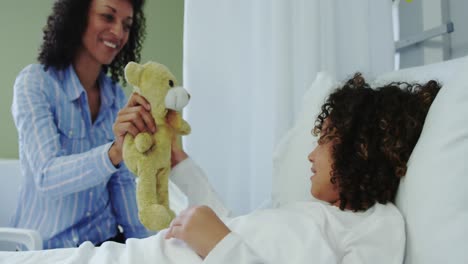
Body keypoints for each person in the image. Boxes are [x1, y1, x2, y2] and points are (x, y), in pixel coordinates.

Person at [162, 73, 441, 263]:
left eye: (324, 139)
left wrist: (220, 248)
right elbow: (233, 231)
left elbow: (226, 242)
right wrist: (179, 163)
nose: (310, 155)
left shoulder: (376, 225)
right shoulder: (309, 214)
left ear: (361, 148)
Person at [10, 0, 156, 249]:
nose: (119, 33)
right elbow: (47, 176)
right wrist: (113, 153)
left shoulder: (117, 98)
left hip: (103, 245)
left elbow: (122, 183)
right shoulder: (34, 83)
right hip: (47, 250)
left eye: (127, 25)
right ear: (77, 18)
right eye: (108, 17)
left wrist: (148, 248)